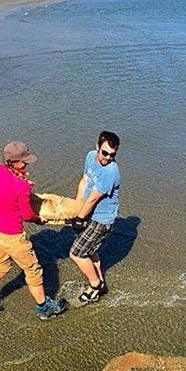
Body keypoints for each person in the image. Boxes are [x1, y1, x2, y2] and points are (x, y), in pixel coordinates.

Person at [0, 141, 67, 320]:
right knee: (33, 269)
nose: (26, 164)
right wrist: (40, 220)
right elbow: (27, 214)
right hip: (13, 237)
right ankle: (44, 307)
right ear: (12, 162)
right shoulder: (22, 186)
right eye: (23, 162)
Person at [69, 131, 121, 305]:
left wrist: (79, 218)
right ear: (97, 147)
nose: (107, 158)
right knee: (89, 250)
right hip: (89, 213)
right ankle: (101, 282)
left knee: (76, 254)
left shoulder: (110, 172)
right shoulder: (90, 157)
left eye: (112, 155)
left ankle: (95, 284)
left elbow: (92, 198)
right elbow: (84, 181)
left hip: (101, 220)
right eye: (104, 153)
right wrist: (76, 207)